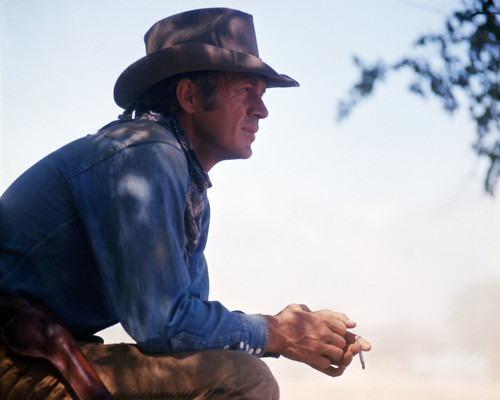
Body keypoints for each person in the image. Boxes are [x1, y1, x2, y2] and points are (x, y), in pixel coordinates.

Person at [0, 7, 371, 400]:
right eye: (245, 91)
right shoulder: (146, 154)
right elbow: (164, 325)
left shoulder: (189, 191)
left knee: (232, 370)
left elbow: (190, 331)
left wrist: (299, 334)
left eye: (262, 95)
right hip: (15, 354)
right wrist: (277, 331)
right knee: (246, 380)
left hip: (44, 351)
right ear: (189, 96)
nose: (262, 110)